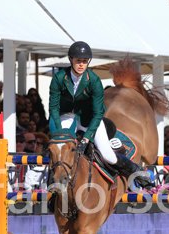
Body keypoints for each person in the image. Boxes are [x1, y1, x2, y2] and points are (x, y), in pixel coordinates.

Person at [48, 41, 153, 188]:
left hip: (89, 119)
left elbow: (98, 114)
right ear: (71, 60)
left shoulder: (94, 81)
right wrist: (60, 133)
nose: (81, 65)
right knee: (58, 149)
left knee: (108, 155)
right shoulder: (59, 78)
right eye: (78, 61)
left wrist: (86, 138)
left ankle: (137, 172)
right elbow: (53, 108)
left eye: (85, 61)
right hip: (66, 117)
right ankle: (52, 187)